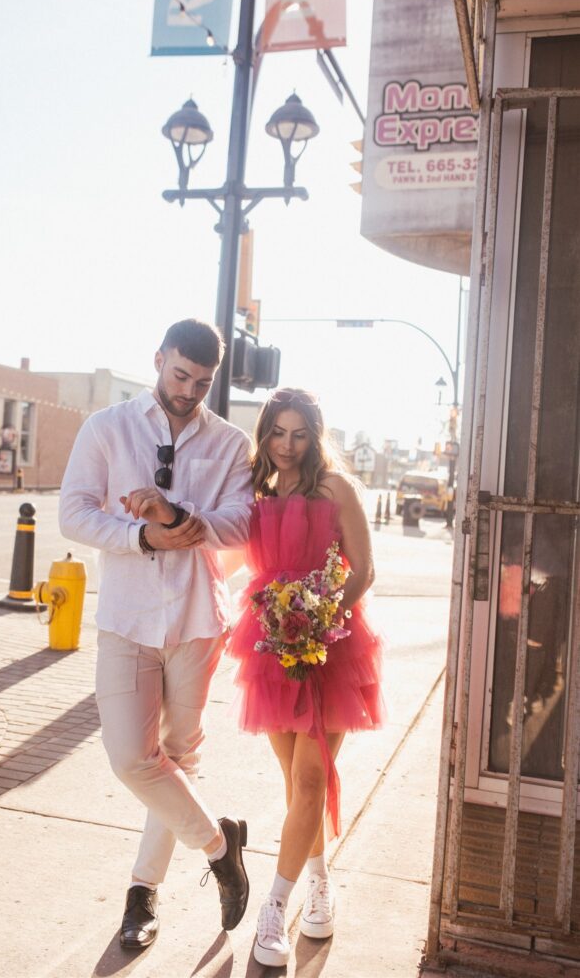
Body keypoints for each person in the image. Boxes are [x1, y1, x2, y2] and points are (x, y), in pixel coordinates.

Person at [59, 319, 253, 949]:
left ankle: (142, 895)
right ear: (158, 360)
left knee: (180, 757)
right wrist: (141, 536)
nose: (188, 391)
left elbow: (239, 524)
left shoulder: (230, 444)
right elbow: (73, 513)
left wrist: (178, 517)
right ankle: (222, 848)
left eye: (201, 382)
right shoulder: (106, 428)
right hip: (126, 618)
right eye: (179, 375)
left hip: (199, 621)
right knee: (132, 759)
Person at [226, 388, 385, 967]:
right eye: (277, 433)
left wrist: (321, 621)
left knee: (313, 777)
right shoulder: (256, 491)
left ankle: (274, 909)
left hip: (331, 644)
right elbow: (235, 558)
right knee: (297, 784)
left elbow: (364, 569)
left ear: (315, 436)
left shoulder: (337, 488)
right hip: (271, 643)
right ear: (264, 433)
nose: (286, 445)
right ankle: (319, 877)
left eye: (299, 434)